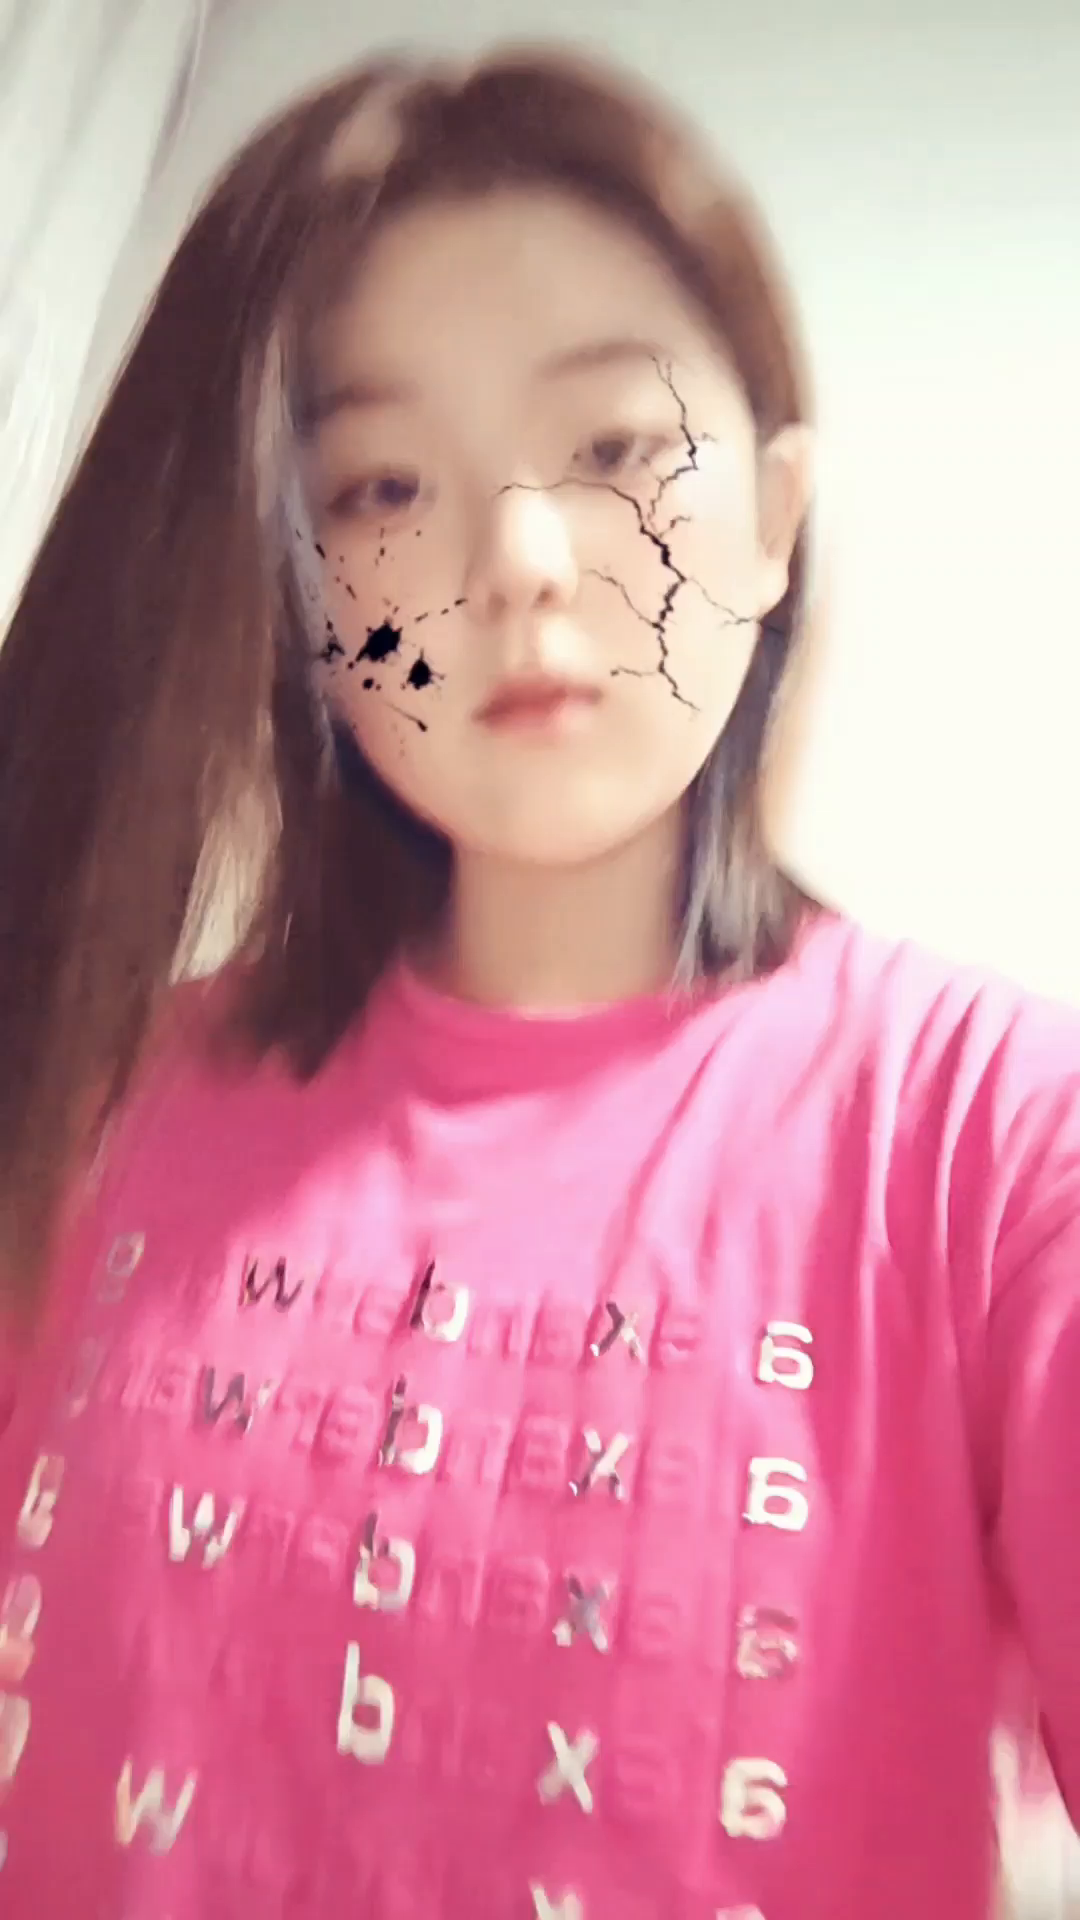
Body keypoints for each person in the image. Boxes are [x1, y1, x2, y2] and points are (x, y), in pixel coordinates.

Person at [0, 43, 1077, 1920]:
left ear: (776, 516)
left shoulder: (989, 1141)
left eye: (617, 451)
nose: (514, 564)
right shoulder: (96, 1095)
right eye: (380, 485)